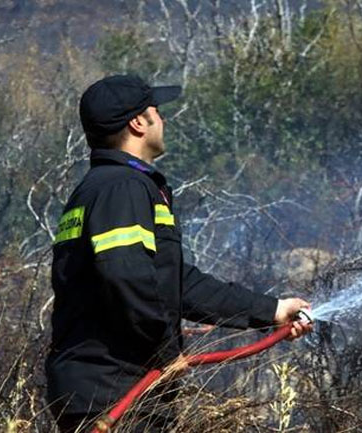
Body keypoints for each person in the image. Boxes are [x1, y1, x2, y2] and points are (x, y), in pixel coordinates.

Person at [45, 75, 312, 433]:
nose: (163, 118)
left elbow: (174, 284)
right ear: (138, 123)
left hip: (117, 389)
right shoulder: (122, 187)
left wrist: (271, 311)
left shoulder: (110, 187)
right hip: (112, 393)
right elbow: (125, 274)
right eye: (156, 110)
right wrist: (166, 351)